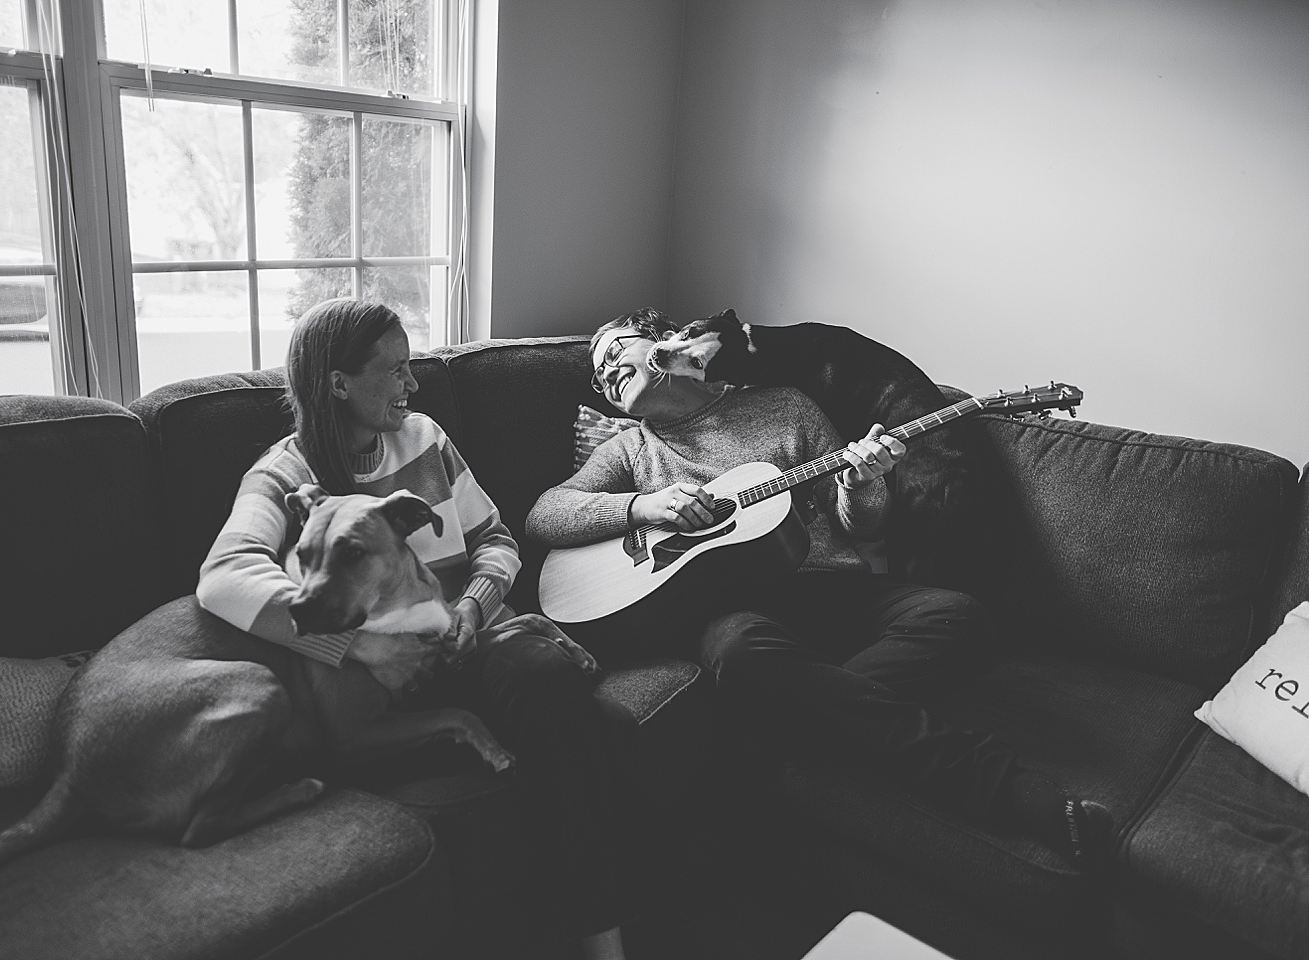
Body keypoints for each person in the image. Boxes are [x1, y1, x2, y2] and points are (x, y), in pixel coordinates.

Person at [525, 307, 1110, 869]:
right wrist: (645, 505)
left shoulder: (784, 408)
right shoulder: (629, 448)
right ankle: (1015, 791)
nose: (604, 376)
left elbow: (863, 525)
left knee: (958, 615)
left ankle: (788, 723)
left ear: (662, 343)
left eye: (612, 354)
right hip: (732, 608)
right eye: (597, 376)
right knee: (738, 651)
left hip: (824, 585)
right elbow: (545, 514)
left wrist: (860, 484)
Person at [198, 299, 637, 960]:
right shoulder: (284, 475)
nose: (412, 385)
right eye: (394, 370)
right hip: (378, 685)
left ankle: (598, 939)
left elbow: (495, 538)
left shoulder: (424, 439)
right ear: (337, 383)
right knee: (553, 726)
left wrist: (476, 606)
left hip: (465, 638)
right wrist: (352, 642)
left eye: (411, 368)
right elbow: (223, 576)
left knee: (563, 701)